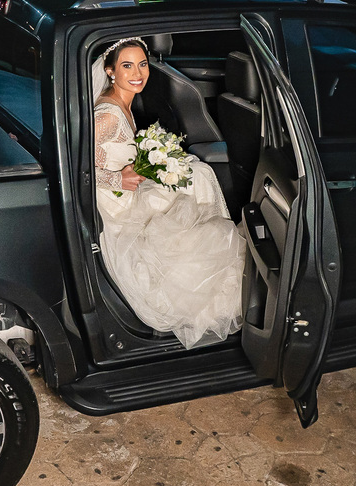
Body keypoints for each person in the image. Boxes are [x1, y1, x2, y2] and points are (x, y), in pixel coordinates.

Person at [92, 37, 246, 348]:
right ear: (110, 71)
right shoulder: (107, 115)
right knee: (197, 203)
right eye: (127, 66)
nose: (138, 73)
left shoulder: (124, 101)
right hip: (117, 206)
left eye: (142, 64)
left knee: (197, 174)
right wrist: (117, 179)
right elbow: (78, 167)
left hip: (127, 190)